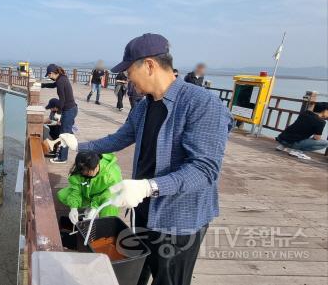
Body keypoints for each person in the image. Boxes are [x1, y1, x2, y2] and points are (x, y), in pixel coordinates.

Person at [65, 33, 232, 285]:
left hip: (179, 218)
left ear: (150, 65)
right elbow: (120, 138)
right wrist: (80, 145)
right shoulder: (143, 106)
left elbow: (204, 170)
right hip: (144, 209)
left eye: (129, 71)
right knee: (139, 271)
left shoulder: (202, 103)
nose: (127, 79)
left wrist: (149, 186)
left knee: (169, 279)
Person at [57, 151, 122, 224]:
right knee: (63, 195)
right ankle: (89, 206)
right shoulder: (79, 171)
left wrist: (94, 207)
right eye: (83, 171)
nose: (85, 173)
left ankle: (107, 225)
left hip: (103, 196)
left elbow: (111, 193)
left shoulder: (112, 174)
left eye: (89, 171)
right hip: (88, 195)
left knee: (110, 202)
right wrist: (73, 208)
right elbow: (76, 191)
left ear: (97, 165)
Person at [41, 64, 77, 164]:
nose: (48, 77)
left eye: (48, 75)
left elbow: (62, 99)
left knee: (65, 134)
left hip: (68, 110)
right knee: (64, 133)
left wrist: (59, 113)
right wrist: (42, 85)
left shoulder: (61, 81)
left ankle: (62, 158)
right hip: (71, 109)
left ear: (52, 73)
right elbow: (53, 85)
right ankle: (60, 155)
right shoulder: (61, 78)